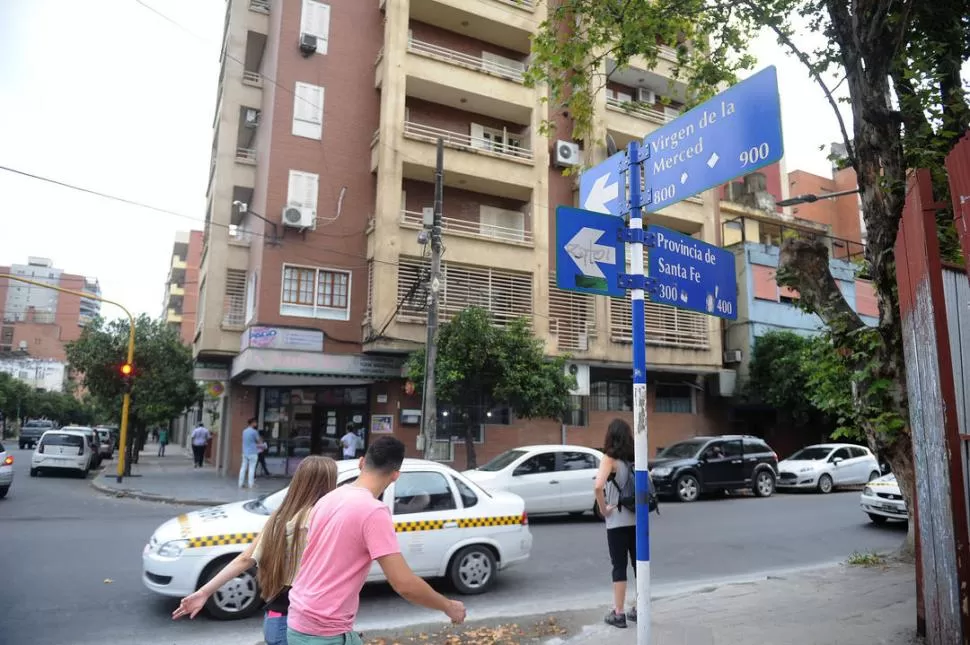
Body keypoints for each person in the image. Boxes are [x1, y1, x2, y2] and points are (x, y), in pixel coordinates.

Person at [286, 436, 466, 644]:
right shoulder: (373, 512)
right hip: (325, 632)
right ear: (395, 475)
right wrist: (448, 606)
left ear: (361, 462)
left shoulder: (329, 498)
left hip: (299, 618)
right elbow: (403, 583)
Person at [172, 456, 338, 645]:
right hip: (302, 627)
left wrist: (204, 592)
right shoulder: (321, 519)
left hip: (274, 620)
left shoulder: (279, 518)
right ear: (328, 484)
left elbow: (244, 559)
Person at [594, 418, 638, 629]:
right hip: (636, 519)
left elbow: (597, 487)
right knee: (639, 565)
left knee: (619, 567)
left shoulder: (609, 459)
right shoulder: (633, 459)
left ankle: (618, 613)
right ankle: (640, 608)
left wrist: (604, 510)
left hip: (617, 522)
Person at [240, 417, 260, 489]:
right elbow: (258, 441)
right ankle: (251, 484)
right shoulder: (254, 432)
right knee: (252, 468)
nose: (256, 424)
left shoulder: (244, 431)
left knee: (243, 468)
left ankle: (241, 483)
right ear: (252, 423)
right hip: (253, 452)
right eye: (255, 422)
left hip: (245, 452)